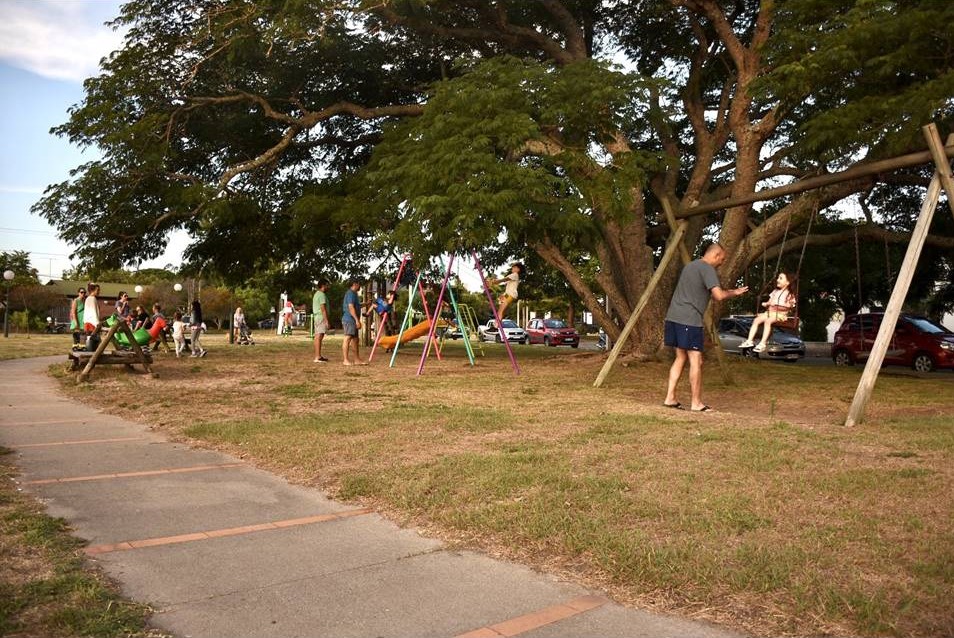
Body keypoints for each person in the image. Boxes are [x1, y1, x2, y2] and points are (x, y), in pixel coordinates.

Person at [663, 243, 748, 412]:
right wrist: (734, 292)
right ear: (715, 255)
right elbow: (718, 296)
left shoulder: (690, 267)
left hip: (673, 317)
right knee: (696, 359)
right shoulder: (707, 269)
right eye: (722, 259)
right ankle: (696, 403)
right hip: (689, 319)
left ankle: (670, 398)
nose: (722, 262)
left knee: (680, 357)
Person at [740, 272, 796, 352]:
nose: (777, 280)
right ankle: (749, 341)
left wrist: (777, 305)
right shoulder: (775, 291)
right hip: (769, 313)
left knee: (768, 321)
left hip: (779, 315)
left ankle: (762, 343)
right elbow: (769, 302)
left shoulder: (790, 295)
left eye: (780, 278)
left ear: (787, 282)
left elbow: (789, 307)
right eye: (778, 278)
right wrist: (766, 304)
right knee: (756, 320)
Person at [341, 280, 365, 366]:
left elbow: (357, 306)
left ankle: (356, 359)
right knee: (348, 338)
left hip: (353, 320)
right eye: (359, 284)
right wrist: (357, 320)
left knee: (355, 340)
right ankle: (345, 360)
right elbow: (351, 307)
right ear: (355, 284)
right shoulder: (350, 293)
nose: (360, 286)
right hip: (349, 319)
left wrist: (367, 304)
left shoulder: (354, 294)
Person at [312, 279, 330, 363]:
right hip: (321, 317)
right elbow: (323, 309)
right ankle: (317, 357)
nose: (328, 287)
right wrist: (326, 321)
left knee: (318, 336)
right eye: (327, 285)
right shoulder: (322, 295)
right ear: (323, 285)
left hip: (317, 317)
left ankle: (318, 355)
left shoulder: (317, 294)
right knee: (319, 336)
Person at [83, 283, 103, 352]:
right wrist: (97, 323)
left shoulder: (87, 298)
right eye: (97, 290)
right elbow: (93, 311)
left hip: (87, 322)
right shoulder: (93, 299)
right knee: (96, 342)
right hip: (92, 323)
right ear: (93, 290)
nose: (99, 291)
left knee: (90, 340)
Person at [69, 287, 86, 351]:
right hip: (77, 319)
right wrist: (76, 321)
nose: (83, 294)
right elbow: (73, 312)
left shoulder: (84, 300)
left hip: (83, 319)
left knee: (82, 334)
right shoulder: (76, 300)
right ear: (78, 293)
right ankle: (75, 346)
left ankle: (81, 347)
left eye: (84, 292)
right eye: (81, 292)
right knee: (76, 333)